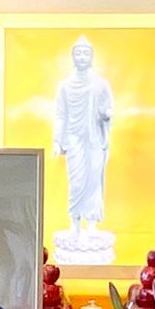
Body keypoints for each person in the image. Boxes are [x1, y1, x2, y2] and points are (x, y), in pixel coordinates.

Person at [52, 37, 114, 247]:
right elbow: (60, 114)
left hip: (95, 139)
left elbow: (108, 110)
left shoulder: (101, 85)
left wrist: (106, 115)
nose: (82, 56)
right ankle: (75, 227)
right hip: (74, 139)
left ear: (91, 56)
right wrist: (57, 141)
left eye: (85, 53)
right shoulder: (65, 86)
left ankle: (92, 228)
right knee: (77, 182)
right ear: (73, 56)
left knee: (94, 181)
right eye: (78, 53)